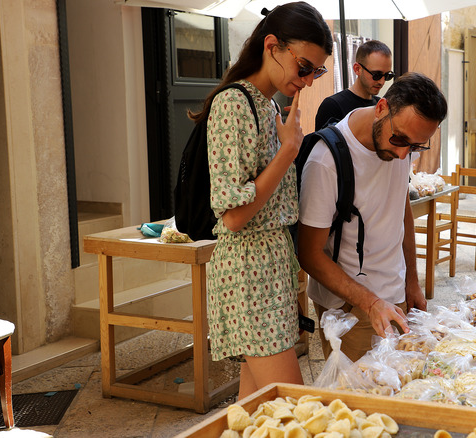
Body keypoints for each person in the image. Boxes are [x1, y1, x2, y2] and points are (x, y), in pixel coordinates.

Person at [194, 1, 332, 398]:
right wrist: (289, 151)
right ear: (272, 45)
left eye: (315, 71)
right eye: (304, 67)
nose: (307, 80)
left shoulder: (267, 104)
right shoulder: (234, 104)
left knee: (257, 407)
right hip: (248, 271)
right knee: (293, 405)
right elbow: (233, 215)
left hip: (270, 266)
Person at [298, 72, 447, 362]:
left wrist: (412, 282)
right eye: (400, 139)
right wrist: (370, 303)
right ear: (381, 108)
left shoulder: (399, 144)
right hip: (351, 308)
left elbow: (400, 211)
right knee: (361, 400)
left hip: (395, 294)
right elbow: (309, 254)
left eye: (415, 146)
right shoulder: (325, 161)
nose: (404, 155)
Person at [314, 40, 394, 130]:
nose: (382, 82)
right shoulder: (333, 106)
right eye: (376, 75)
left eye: (387, 76)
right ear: (357, 69)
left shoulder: (380, 106)